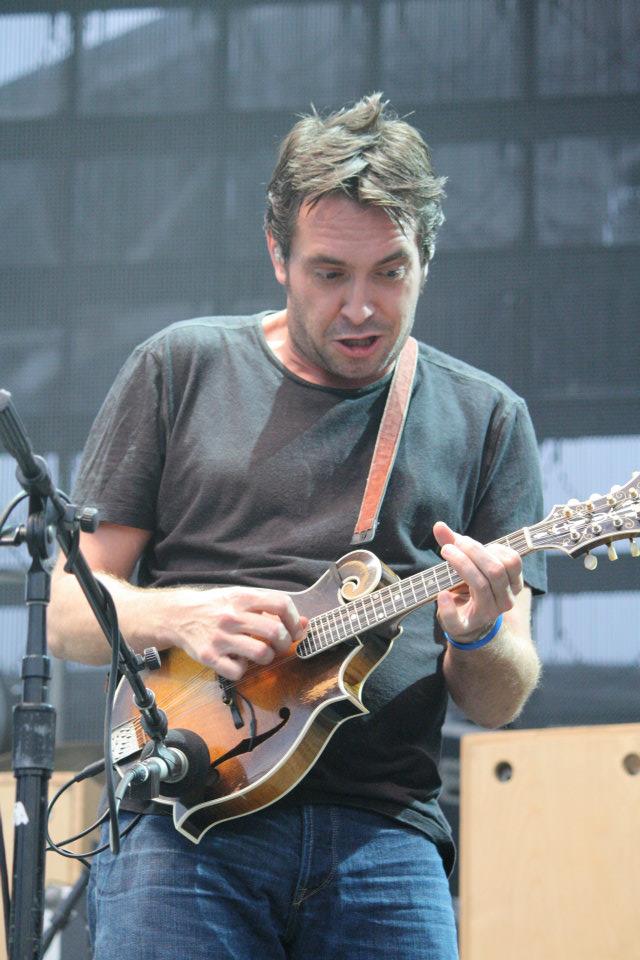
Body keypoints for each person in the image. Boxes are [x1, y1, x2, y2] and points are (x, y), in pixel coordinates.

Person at [48, 93, 546, 960]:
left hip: (384, 833)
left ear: (426, 260)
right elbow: (66, 613)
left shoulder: (488, 417)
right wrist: (181, 615)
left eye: (390, 272)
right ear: (277, 255)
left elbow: (498, 701)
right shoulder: (180, 367)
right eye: (329, 273)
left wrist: (480, 633)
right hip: (181, 823)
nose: (360, 308)